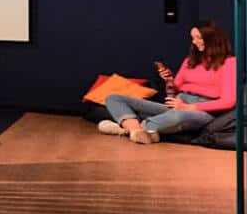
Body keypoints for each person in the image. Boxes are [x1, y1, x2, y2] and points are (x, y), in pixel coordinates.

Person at [97, 20, 237, 145]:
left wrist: (189, 107)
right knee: (113, 98)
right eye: (193, 38)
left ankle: (127, 128)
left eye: (198, 38)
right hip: (176, 104)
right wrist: (169, 80)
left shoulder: (230, 63)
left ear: (213, 39)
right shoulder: (190, 60)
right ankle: (137, 131)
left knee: (178, 117)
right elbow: (175, 89)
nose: (194, 42)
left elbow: (228, 101)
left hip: (201, 111)